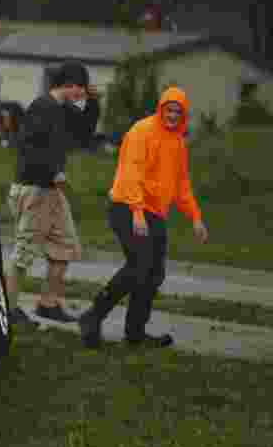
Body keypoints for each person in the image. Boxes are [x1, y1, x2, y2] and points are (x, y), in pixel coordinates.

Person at [78, 87, 208, 349]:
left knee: (153, 273)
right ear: (161, 109)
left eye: (178, 112)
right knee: (139, 265)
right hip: (126, 206)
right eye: (169, 110)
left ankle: (135, 333)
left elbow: (181, 185)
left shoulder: (179, 142)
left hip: (155, 213)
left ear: (183, 115)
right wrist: (137, 211)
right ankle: (92, 316)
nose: (172, 115)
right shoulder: (142, 131)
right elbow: (130, 173)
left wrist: (195, 217)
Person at [4, 61, 100, 326]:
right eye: (81, 87)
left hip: (51, 192)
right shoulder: (42, 107)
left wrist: (92, 102)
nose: (82, 92)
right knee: (23, 253)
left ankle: (48, 304)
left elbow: (84, 133)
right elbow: (28, 146)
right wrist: (53, 170)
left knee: (65, 247)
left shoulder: (62, 110)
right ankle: (9, 310)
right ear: (69, 85)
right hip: (35, 189)